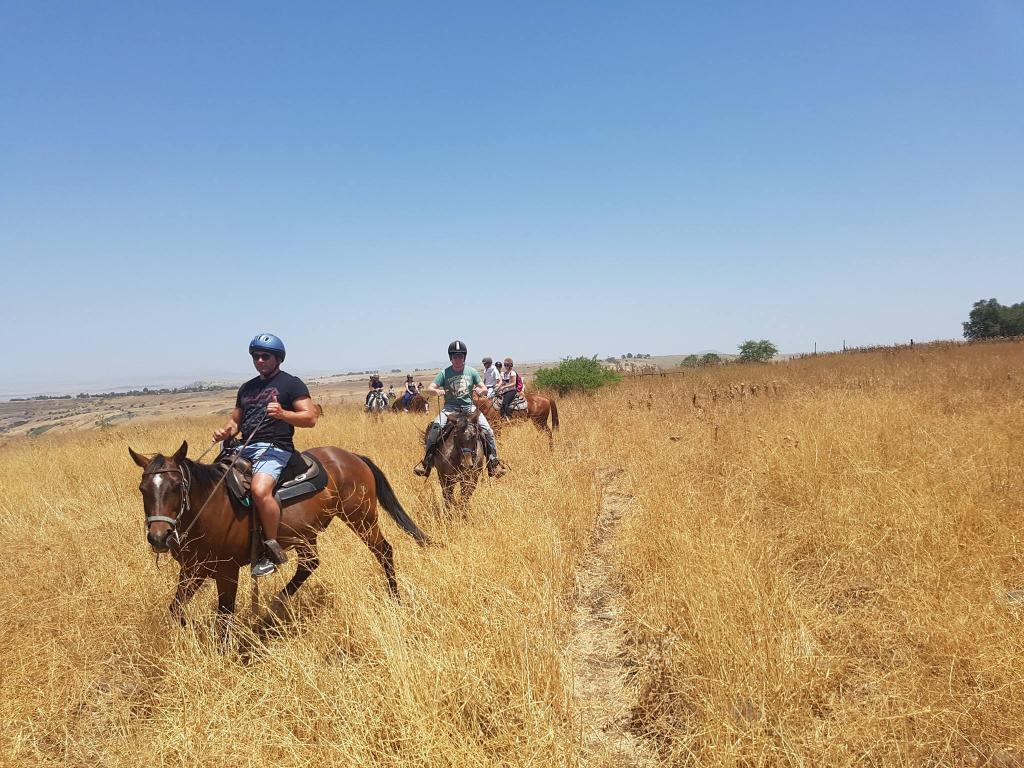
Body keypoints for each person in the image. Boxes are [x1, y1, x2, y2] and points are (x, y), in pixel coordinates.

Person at [213, 333, 319, 577]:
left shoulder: (291, 384)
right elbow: (235, 421)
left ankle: (270, 549)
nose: (259, 360)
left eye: (265, 356)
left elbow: (310, 418)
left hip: (275, 447)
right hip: (243, 448)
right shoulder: (247, 388)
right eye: (255, 356)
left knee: (260, 491)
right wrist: (225, 431)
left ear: (278, 358)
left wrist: (283, 414)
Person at [413, 340, 506, 478]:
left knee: (488, 431)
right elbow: (430, 388)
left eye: (460, 356)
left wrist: (481, 390)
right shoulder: (444, 373)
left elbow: (483, 387)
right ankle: (427, 463)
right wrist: (437, 391)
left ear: (464, 357)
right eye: (455, 356)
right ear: (451, 358)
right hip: (450, 409)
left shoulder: (471, 372)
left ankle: (493, 463)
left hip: (469, 408)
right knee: (435, 429)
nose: (458, 359)